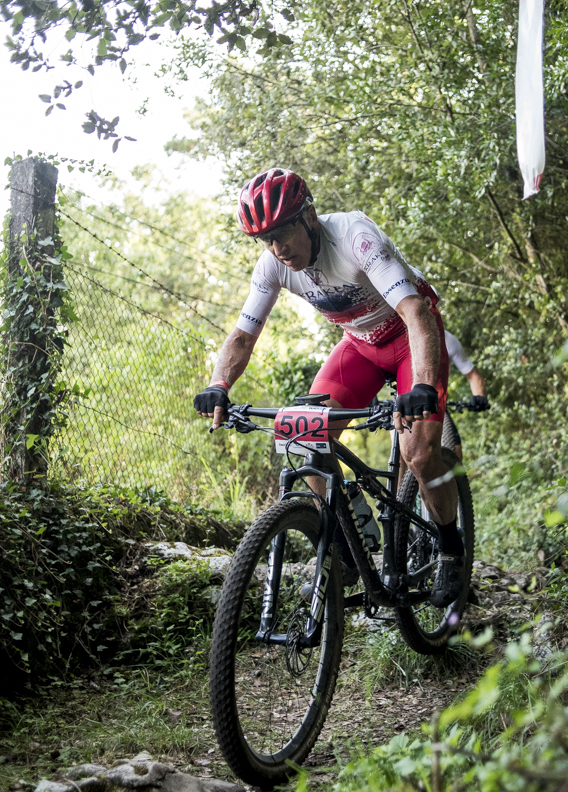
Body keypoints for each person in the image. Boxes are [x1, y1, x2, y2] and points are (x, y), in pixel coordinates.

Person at [194, 167, 464, 607]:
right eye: (267, 240)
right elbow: (243, 336)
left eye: (283, 234)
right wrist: (218, 384)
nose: (278, 249)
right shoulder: (273, 266)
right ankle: (343, 548)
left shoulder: (356, 237)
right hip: (359, 345)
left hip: (408, 337)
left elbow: (415, 312)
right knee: (304, 437)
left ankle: (451, 547)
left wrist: (423, 385)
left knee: (417, 453)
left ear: (309, 217)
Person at [444, 330, 487, 460]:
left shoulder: (447, 339)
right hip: (402, 400)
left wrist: (479, 396)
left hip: (435, 402)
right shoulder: (400, 334)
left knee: (455, 452)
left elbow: (472, 375)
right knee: (402, 455)